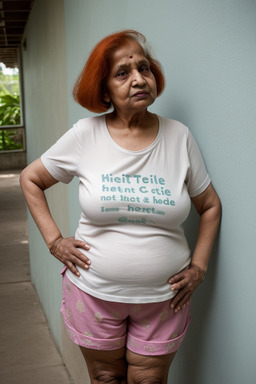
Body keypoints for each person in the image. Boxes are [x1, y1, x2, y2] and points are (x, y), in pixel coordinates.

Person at [20, 30, 221, 384]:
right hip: (93, 293)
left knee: (149, 380)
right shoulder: (85, 135)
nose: (139, 79)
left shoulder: (179, 137)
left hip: (164, 300)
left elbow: (210, 205)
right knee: (104, 377)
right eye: (123, 73)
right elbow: (31, 179)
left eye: (143, 68)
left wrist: (199, 268)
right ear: (104, 89)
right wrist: (55, 241)